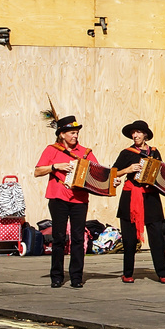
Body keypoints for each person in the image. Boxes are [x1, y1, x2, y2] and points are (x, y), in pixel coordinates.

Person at [111, 120, 165, 284]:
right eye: (133, 133)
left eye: (138, 132)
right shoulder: (127, 153)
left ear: (145, 134)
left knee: (157, 236)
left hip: (151, 197)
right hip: (131, 196)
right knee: (129, 238)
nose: (135, 135)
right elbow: (112, 173)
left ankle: (162, 273)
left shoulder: (154, 152)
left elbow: (160, 172)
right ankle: (127, 273)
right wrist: (128, 170)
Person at [36, 114, 94, 289]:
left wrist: (110, 180)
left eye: (76, 133)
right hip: (57, 197)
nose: (75, 136)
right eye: (72, 133)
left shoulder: (85, 152)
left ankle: (76, 276)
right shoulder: (51, 150)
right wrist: (55, 167)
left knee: (78, 238)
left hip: (79, 199)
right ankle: (57, 276)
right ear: (62, 134)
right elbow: (37, 171)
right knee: (59, 237)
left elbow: (96, 172)